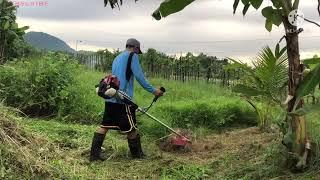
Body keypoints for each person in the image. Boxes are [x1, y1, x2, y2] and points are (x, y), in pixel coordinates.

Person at [89, 38, 163, 161]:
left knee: (105, 125)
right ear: (135, 48)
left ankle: (94, 155)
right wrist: (155, 91)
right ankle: (138, 156)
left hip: (111, 96)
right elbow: (140, 77)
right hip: (123, 99)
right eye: (138, 50)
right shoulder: (133, 56)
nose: (137, 52)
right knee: (132, 128)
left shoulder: (117, 58)